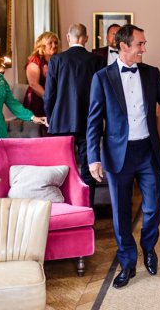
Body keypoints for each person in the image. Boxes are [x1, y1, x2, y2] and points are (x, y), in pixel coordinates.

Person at [87, 24, 160, 289]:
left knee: (153, 207)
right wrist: (93, 157)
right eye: (140, 44)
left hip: (147, 151)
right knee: (121, 212)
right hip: (117, 156)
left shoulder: (150, 73)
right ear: (124, 46)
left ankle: (148, 247)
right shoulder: (102, 78)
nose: (144, 49)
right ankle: (127, 261)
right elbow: (93, 121)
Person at [45, 23, 105, 207]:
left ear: (68, 37)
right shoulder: (97, 61)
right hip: (89, 123)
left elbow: (49, 95)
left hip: (61, 123)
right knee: (89, 169)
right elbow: (102, 95)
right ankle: (86, 210)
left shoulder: (56, 60)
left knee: (62, 169)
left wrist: (50, 116)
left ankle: (66, 210)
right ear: (85, 38)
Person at [23, 31, 59, 127]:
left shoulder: (57, 59)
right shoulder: (35, 60)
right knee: (39, 129)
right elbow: (33, 84)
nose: (54, 45)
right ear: (42, 46)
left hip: (53, 98)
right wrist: (49, 99)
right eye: (50, 43)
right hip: (37, 99)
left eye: (55, 43)